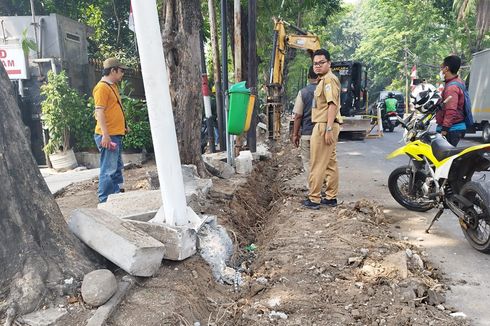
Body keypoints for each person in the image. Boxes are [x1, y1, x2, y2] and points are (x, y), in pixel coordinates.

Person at [302, 49, 342, 210]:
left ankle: (314, 198)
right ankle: (331, 197)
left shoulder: (328, 81)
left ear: (329, 63)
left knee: (317, 162)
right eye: (315, 63)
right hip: (328, 124)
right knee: (330, 162)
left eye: (321, 63)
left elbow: (332, 105)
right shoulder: (325, 80)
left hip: (324, 124)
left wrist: (328, 129)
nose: (317, 66)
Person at [93, 57, 128, 203]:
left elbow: (114, 108)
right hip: (108, 135)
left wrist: (124, 125)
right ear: (112, 70)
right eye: (120, 71)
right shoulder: (102, 88)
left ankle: (116, 195)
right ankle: (105, 200)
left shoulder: (112, 86)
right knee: (109, 169)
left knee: (117, 167)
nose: (122, 74)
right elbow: (99, 112)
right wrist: (105, 135)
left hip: (115, 133)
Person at [292, 66, 318, 176]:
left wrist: (295, 135)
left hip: (307, 133)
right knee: (320, 162)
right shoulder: (326, 91)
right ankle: (322, 185)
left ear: (308, 77)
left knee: (308, 162)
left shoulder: (303, 92)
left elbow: (298, 116)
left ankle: (313, 188)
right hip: (321, 133)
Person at [436, 55, 466, 146]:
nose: (441, 71)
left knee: (445, 159)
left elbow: (451, 110)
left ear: (446, 68)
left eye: (442, 68)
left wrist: (444, 130)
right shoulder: (458, 81)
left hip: (451, 129)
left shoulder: (451, 88)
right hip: (453, 127)